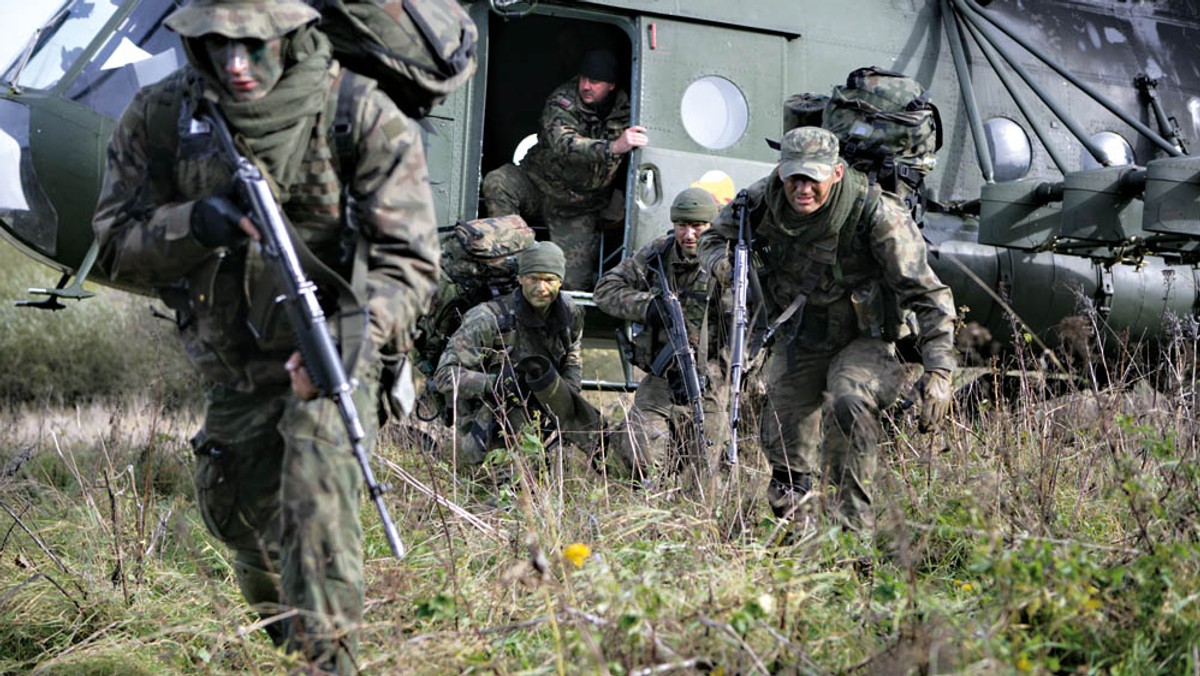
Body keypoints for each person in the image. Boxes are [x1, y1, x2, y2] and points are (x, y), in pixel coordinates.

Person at [90, 0, 440, 671]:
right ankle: (301, 642)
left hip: (338, 352)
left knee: (316, 501)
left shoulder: (357, 111)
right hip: (238, 362)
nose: (237, 65)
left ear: (294, 33)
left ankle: (330, 659)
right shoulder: (164, 118)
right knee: (236, 515)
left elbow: (411, 260)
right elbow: (112, 245)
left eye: (254, 45)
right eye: (218, 46)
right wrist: (195, 224)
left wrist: (352, 339)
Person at [698, 126, 956, 530]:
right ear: (781, 172)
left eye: (813, 179)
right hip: (800, 333)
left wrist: (939, 370)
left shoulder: (875, 213)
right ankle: (793, 529)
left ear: (836, 173)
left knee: (848, 398)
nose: (802, 189)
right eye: (794, 177)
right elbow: (712, 238)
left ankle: (849, 535)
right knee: (784, 429)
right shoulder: (760, 201)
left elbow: (927, 293)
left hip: (863, 337)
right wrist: (728, 268)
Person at [481, 48, 649, 291]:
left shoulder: (629, 111)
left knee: (573, 286)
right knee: (498, 181)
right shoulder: (563, 100)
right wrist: (613, 146)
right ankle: (508, 266)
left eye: (595, 81)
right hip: (536, 185)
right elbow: (563, 144)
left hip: (579, 207)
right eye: (583, 78)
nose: (586, 86)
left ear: (611, 85)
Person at [594, 187, 729, 489]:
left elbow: (750, 327)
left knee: (710, 470)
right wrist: (648, 306)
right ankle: (650, 488)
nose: (689, 234)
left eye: (698, 226)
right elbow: (604, 290)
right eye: (682, 225)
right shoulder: (659, 252)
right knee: (638, 448)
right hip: (660, 380)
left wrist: (715, 372)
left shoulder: (727, 263)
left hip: (711, 379)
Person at [433, 241, 600, 479]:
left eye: (549, 280)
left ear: (560, 282)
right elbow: (444, 376)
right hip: (490, 414)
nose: (541, 288)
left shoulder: (570, 313)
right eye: (533, 278)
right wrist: (498, 383)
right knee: (521, 482)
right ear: (520, 279)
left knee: (600, 435)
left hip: (540, 405)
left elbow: (572, 354)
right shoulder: (487, 319)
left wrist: (567, 392)